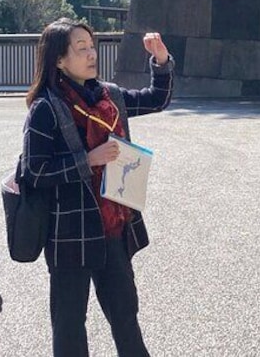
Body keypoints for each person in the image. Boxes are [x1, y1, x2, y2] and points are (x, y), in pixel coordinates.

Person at [20, 18, 174, 357]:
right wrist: (87, 160)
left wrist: (161, 62)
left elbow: (156, 99)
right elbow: (34, 170)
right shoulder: (46, 107)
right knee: (70, 325)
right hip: (70, 235)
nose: (91, 55)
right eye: (81, 49)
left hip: (112, 228)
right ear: (59, 60)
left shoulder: (111, 96)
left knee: (125, 318)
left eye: (92, 47)